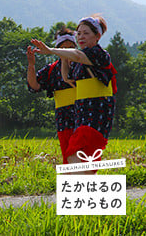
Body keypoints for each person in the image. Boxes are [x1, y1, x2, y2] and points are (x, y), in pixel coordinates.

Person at [31, 14, 116, 174]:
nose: (81, 37)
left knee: (75, 157)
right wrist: (63, 57)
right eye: (79, 33)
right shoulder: (79, 62)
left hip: (97, 114)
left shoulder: (99, 54)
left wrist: (51, 50)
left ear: (97, 36)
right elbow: (66, 77)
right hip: (83, 114)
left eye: (86, 33)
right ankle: (86, 196)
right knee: (78, 161)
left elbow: (77, 55)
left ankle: (84, 196)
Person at [26, 28, 77, 164]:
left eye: (71, 48)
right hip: (64, 120)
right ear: (57, 49)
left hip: (84, 118)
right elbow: (34, 86)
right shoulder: (52, 70)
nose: (67, 52)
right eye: (63, 48)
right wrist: (31, 65)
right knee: (68, 158)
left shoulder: (84, 66)